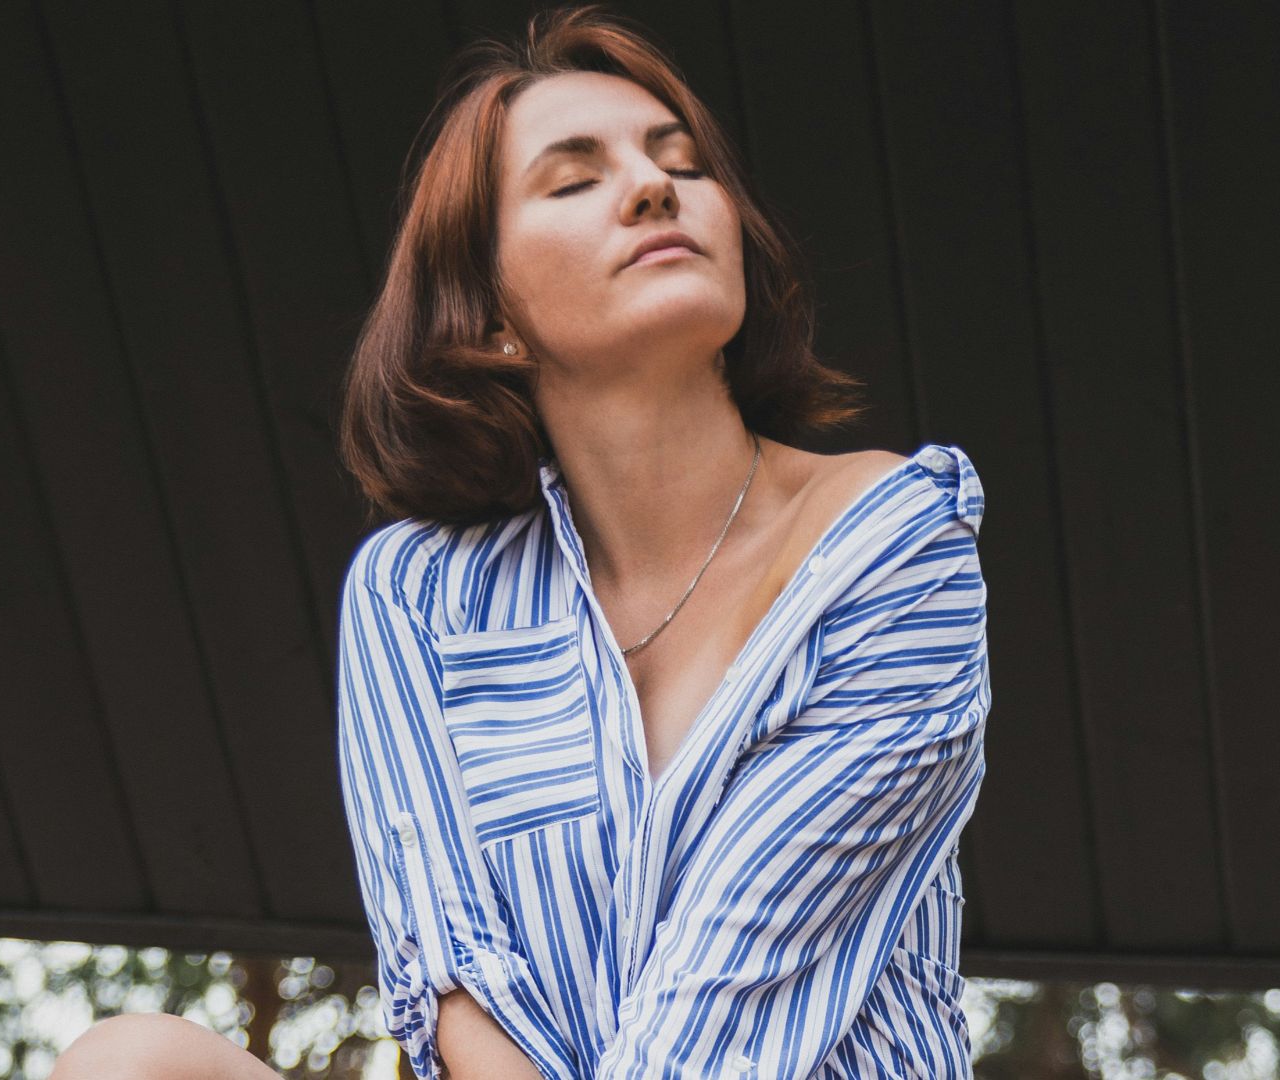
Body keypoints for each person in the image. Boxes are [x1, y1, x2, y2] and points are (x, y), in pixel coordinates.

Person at [52, 5, 987, 1078]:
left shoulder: (892, 541)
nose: (652, 187)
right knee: (128, 1061)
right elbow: (448, 975)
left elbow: (742, 983)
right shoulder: (418, 596)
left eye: (679, 162)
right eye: (573, 179)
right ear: (491, 313)